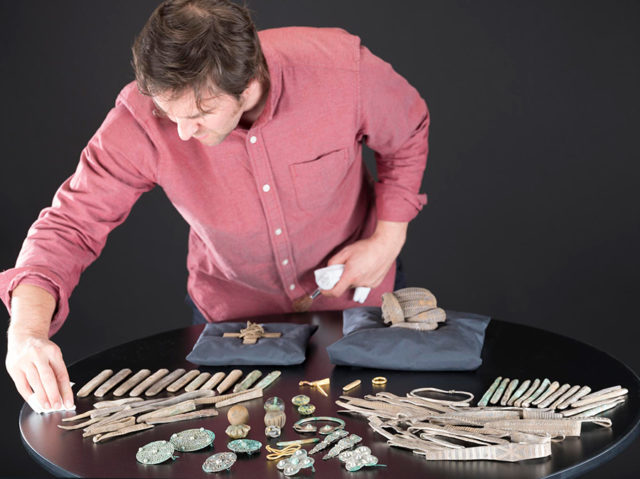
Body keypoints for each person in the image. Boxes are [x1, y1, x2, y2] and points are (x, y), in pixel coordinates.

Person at [2, 0, 428, 412]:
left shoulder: (341, 70)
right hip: (234, 324)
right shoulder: (140, 117)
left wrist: (389, 237)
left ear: (247, 86)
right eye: (171, 115)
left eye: (201, 113)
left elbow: (407, 130)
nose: (183, 134)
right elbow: (69, 225)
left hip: (358, 305)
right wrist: (26, 332)